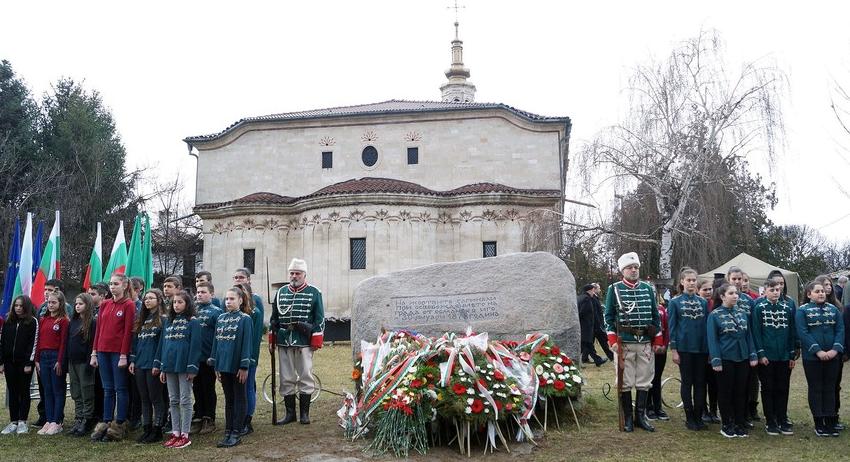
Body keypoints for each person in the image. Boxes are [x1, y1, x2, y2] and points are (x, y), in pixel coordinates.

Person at [603, 252, 662, 432]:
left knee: (645, 379)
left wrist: (657, 338)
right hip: (625, 342)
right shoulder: (614, 289)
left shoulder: (647, 288)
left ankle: (640, 417)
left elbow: (655, 315)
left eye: (636, 267)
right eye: (630, 268)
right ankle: (628, 418)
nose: (634, 270)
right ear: (623, 271)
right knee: (625, 381)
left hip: (644, 341)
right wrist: (612, 339)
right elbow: (608, 317)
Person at [270, 258, 325, 425]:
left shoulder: (314, 292)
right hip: (284, 340)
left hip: (303, 340)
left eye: (297, 273)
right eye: (292, 273)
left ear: (304, 274)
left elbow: (320, 318)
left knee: (305, 376)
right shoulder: (280, 293)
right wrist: (273, 338)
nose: (294, 276)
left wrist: (315, 339)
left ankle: (304, 414)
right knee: (286, 377)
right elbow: (274, 319)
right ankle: (290, 414)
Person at [90, 273, 136, 442]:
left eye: (116, 283)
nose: (113, 286)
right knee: (107, 388)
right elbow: (99, 331)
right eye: (111, 283)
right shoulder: (105, 304)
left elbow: (128, 332)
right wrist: (94, 352)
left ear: (124, 286)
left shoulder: (129, 305)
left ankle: (120, 422)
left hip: (118, 352)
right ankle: (106, 420)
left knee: (120, 388)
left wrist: (124, 355)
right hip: (102, 351)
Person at [707, 283, 757, 438]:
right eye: (731, 293)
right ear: (722, 296)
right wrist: (716, 360)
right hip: (725, 358)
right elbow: (712, 339)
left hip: (742, 357)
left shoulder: (742, 313)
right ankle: (727, 423)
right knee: (726, 392)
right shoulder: (714, 315)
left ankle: (739, 422)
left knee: (741, 391)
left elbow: (748, 336)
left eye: (736, 293)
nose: (735, 296)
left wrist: (753, 354)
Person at [796, 281, 844, 437]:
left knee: (830, 388)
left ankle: (830, 422)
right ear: (809, 294)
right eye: (817, 291)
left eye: (823, 291)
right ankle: (819, 423)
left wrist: (835, 349)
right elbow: (803, 333)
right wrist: (818, 351)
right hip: (812, 358)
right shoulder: (802, 311)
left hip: (833, 356)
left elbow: (840, 330)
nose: (821, 293)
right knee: (816, 388)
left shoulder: (834, 309)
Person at [209, 286, 253, 447]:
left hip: (237, 366)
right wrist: (215, 365)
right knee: (229, 399)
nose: (228, 301)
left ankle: (237, 432)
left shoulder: (245, 319)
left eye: (232, 299)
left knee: (239, 397)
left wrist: (244, 366)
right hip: (223, 365)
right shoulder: (220, 318)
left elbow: (246, 344)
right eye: (226, 299)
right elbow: (216, 343)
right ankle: (228, 431)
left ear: (240, 301)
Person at [156, 290, 201, 449]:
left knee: (185, 400)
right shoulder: (168, 321)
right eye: (174, 302)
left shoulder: (193, 322)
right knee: (173, 400)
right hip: (169, 366)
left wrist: (192, 368)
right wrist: (162, 367)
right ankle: (175, 432)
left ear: (187, 304)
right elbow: (163, 345)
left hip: (184, 366)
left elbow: (195, 347)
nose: (176, 305)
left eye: (180, 302)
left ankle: (185, 434)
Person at [751, 279, 796, 436]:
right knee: (768, 388)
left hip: (784, 356)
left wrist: (792, 354)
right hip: (767, 356)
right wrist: (761, 354)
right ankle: (770, 421)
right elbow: (756, 333)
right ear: (765, 291)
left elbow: (792, 333)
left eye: (778, 289)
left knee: (783, 388)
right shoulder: (759, 308)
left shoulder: (787, 308)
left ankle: (782, 418)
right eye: (772, 289)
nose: (776, 292)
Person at [668, 268, 709, 430]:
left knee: (700, 383)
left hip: (701, 349)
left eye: (694, 280)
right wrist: (674, 350)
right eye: (689, 280)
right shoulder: (675, 302)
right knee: (687, 382)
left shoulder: (703, 302)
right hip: (684, 348)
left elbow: (707, 327)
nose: (692, 283)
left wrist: (708, 350)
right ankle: (689, 416)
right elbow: (672, 327)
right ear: (682, 282)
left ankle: (699, 416)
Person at [130, 289, 167, 444]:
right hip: (140, 364)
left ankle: (157, 429)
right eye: (146, 298)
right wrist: (132, 360)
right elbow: (135, 343)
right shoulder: (141, 319)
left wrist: (158, 363)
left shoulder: (163, 320)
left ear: (159, 300)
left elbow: (162, 344)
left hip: (153, 364)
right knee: (144, 398)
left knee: (155, 397)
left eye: (151, 298)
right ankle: (147, 428)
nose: (147, 301)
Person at [0, 296, 39, 435]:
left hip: (24, 364)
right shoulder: (8, 321)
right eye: (16, 305)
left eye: (21, 306)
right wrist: (2, 362)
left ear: (26, 307)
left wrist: (29, 363)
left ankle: (23, 421)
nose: (18, 308)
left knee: (23, 391)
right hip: (9, 363)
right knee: (12, 392)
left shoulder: (32, 322)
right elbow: (2, 341)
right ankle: (13, 421)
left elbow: (33, 344)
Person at [232, 268, 265, 433]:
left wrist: (250, 356)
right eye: (236, 277)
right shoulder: (232, 303)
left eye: (241, 277)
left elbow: (256, 333)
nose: (238, 280)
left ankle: (247, 419)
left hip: (249, 353)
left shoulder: (255, 304)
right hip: (234, 354)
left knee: (248, 386)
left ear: (248, 280)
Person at [727, 266, 760, 424]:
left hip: (746, 347)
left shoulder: (749, 301)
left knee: (745, 383)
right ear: (729, 279)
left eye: (739, 279)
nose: (737, 281)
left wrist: (754, 350)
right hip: (728, 347)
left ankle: (744, 415)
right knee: (730, 384)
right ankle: (730, 415)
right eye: (734, 279)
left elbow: (753, 327)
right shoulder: (724, 298)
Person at [35, 291, 69, 435]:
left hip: (56, 357)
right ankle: (48, 420)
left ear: (60, 303)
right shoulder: (43, 320)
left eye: (54, 302)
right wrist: (36, 359)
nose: (50, 305)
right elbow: (39, 341)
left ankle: (57, 421)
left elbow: (63, 343)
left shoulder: (64, 321)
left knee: (57, 390)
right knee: (47, 390)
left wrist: (60, 361)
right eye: (49, 302)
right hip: (43, 357)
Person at [191, 281, 223, 435]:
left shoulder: (217, 312)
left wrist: (215, 357)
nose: (200, 294)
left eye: (203, 292)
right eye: (198, 292)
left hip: (208, 357)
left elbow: (219, 337)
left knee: (208, 388)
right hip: (194, 358)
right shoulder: (192, 311)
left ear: (211, 294)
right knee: (196, 387)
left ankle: (209, 418)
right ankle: (198, 416)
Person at [65, 293, 97, 436]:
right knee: (76, 391)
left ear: (88, 305)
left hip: (85, 363)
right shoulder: (73, 322)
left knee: (87, 391)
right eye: (76, 304)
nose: (77, 306)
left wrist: (90, 361)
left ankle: (87, 419)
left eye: (81, 304)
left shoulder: (93, 322)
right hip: (73, 362)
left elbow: (92, 344)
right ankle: (78, 419)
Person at [815, 274, 844, 431]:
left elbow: (841, 329)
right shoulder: (810, 308)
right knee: (822, 386)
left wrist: (837, 349)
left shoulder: (837, 307)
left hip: (835, 353)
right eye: (824, 285)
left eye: (829, 285)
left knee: (835, 386)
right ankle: (822, 417)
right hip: (818, 354)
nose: (827, 288)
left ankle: (834, 416)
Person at [697, 278, 720, 425]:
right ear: (699, 291)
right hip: (700, 349)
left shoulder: (715, 305)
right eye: (704, 289)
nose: (708, 292)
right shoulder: (698, 305)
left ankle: (713, 409)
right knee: (701, 381)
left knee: (714, 382)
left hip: (714, 350)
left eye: (710, 289)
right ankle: (703, 410)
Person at [645, 289, 670, 422]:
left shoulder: (661, 309)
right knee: (647, 378)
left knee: (657, 377)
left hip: (661, 350)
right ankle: (647, 406)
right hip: (647, 349)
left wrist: (664, 345)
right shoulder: (643, 310)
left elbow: (666, 328)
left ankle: (658, 406)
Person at [579, 283, 607, 366]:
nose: (593, 292)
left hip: (584, 326)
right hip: (586, 325)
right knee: (586, 344)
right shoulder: (586, 299)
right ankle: (574, 360)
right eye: (593, 290)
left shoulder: (580, 297)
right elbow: (582, 312)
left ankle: (597, 360)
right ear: (590, 290)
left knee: (587, 344)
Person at [591, 283, 614, 361]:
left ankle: (584, 357)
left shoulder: (595, 297)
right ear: (594, 289)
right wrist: (599, 323)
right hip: (597, 324)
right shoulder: (592, 298)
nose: (600, 290)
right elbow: (595, 312)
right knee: (602, 341)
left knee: (589, 343)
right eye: (598, 288)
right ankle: (611, 356)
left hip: (596, 324)